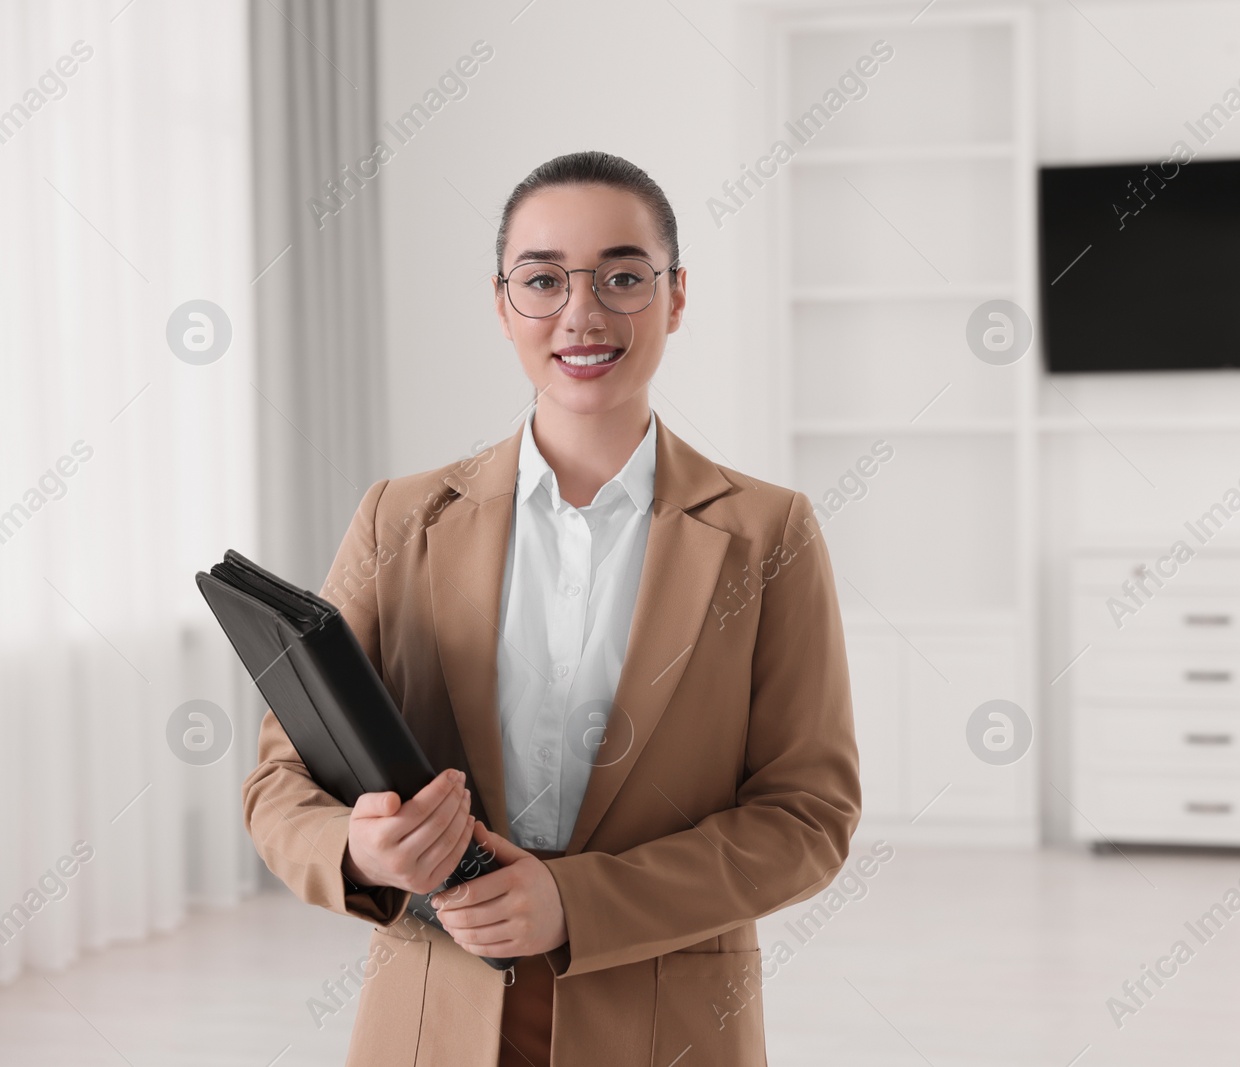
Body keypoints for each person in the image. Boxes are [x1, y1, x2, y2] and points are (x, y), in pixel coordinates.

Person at [241, 150, 862, 1067]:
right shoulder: (398, 518)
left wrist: (578, 902)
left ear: (676, 296)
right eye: (542, 279)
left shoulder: (770, 534)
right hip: (430, 1022)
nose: (582, 312)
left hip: (667, 1027)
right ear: (502, 303)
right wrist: (362, 850)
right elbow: (278, 784)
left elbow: (807, 816)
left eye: (622, 276)